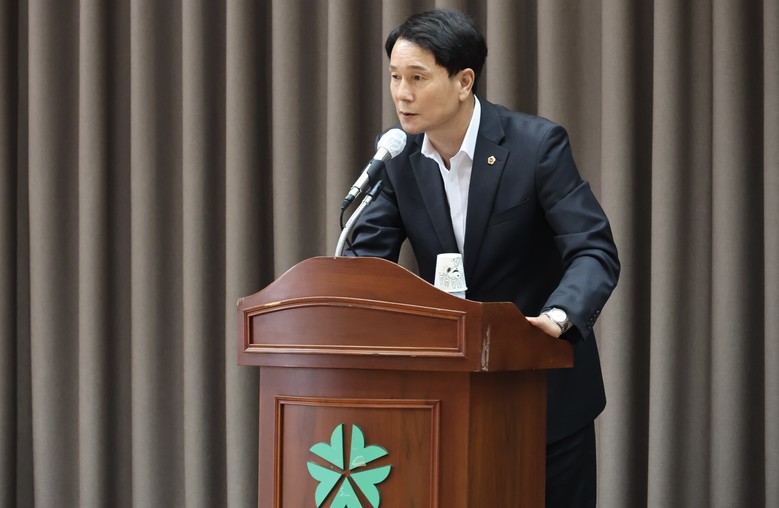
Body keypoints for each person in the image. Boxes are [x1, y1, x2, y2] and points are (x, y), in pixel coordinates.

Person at [348, 8, 620, 508]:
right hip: (446, 398)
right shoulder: (399, 159)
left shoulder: (535, 146)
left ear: (463, 81)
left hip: (543, 392)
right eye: (394, 77)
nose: (401, 94)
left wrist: (558, 317)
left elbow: (592, 248)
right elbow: (368, 265)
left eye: (417, 78)